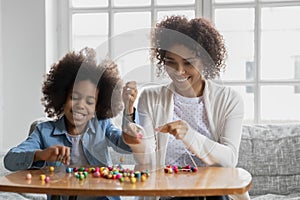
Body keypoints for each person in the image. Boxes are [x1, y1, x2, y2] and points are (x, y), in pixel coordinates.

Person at [122, 16, 249, 200]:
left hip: (212, 194)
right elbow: (147, 160)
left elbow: (229, 160)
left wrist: (188, 135)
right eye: (171, 61)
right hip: (166, 195)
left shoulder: (230, 100)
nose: (179, 71)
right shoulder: (150, 98)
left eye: (188, 63)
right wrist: (136, 139)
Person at [4, 47, 137, 200]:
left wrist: (129, 109)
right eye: (74, 97)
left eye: (89, 101)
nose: (80, 105)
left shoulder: (102, 125)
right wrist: (41, 154)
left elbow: (127, 145)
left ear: (98, 107)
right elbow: (10, 160)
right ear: (62, 98)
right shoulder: (44, 131)